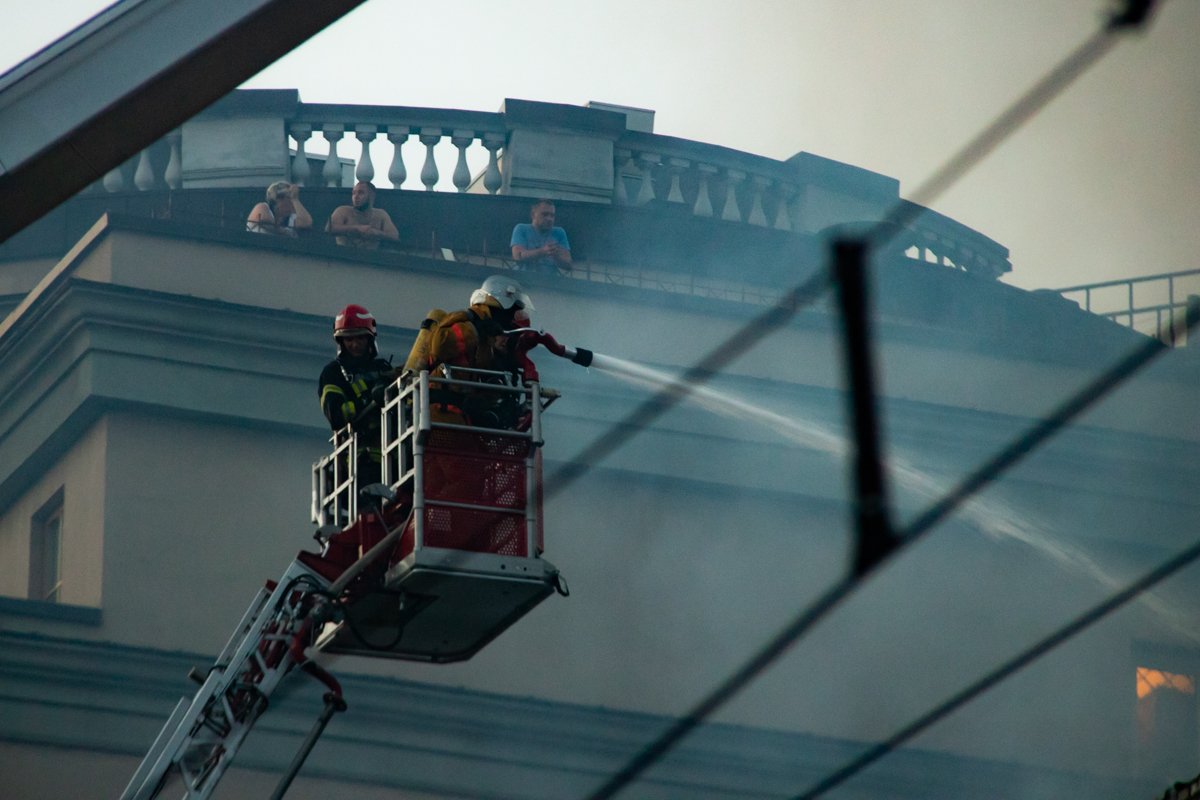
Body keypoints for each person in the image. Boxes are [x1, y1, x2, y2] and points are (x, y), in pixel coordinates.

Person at [424, 275, 535, 427]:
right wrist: (475, 329)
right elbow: (439, 346)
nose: (506, 338)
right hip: (440, 415)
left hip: (458, 420)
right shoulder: (466, 322)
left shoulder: (485, 345)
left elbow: (478, 384)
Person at [318, 304, 397, 487]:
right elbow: (335, 415)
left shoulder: (383, 368)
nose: (354, 344)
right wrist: (368, 400)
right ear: (341, 342)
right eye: (349, 339)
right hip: (358, 460)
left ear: (370, 338)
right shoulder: (333, 373)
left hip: (394, 454)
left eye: (360, 338)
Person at [327, 181, 399, 249]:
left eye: (361, 193)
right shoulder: (343, 211)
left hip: (371, 256)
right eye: (354, 193)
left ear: (372, 196)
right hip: (344, 255)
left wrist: (377, 233)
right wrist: (356, 229)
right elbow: (329, 228)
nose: (356, 196)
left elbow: (395, 236)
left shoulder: (381, 214)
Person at [510, 199, 571, 274]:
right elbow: (517, 257)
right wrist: (542, 251)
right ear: (533, 215)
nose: (549, 219)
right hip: (522, 278)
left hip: (549, 279)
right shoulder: (521, 229)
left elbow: (569, 265)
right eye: (545, 214)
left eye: (552, 215)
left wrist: (556, 256)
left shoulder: (559, 232)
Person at [246, 181, 312, 236]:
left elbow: (306, 223)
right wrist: (287, 232)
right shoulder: (263, 207)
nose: (292, 202)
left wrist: (295, 199)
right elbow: (266, 222)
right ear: (279, 199)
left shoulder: (290, 218)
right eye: (289, 198)